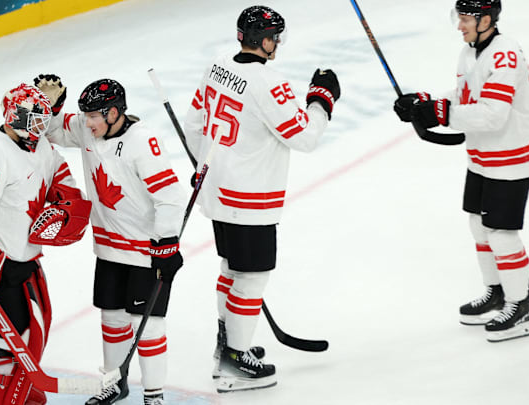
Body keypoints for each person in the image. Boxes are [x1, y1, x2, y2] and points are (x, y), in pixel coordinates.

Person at [182, 5, 340, 393]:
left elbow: (193, 123)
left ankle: (228, 345)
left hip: (218, 192)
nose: (277, 45)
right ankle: (234, 362)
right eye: (276, 38)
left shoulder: (218, 65)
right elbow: (303, 136)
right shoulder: (270, 83)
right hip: (249, 198)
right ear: (266, 41)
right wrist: (322, 100)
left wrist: (204, 165)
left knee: (232, 269)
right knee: (252, 277)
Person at [36, 75, 185, 405]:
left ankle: (154, 394)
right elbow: (52, 128)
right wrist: (51, 106)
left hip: (144, 252)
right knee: (112, 319)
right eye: (85, 116)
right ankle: (114, 383)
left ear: (115, 113)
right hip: (108, 249)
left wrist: (166, 245)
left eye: (94, 116)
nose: (86, 123)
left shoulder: (142, 143)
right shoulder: (89, 128)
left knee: (146, 329)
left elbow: (170, 197)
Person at [394, 0, 529, 342]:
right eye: (460, 18)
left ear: (487, 19)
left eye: (466, 19)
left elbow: (493, 114)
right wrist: (423, 102)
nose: (460, 26)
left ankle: (523, 303)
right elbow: (463, 94)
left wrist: (438, 113)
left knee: (500, 232)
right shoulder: (470, 52)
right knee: (478, 225)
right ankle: (497, 291)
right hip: (481, 155)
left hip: (510, 156)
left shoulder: (505, 54)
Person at [0, 83, 89, 404]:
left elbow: (58, 173)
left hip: (25, 258)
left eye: (43, 120)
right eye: (34, 120)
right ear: (13, 118)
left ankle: (16, 390)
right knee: (14, 337)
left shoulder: (38, 147)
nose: (40, 127)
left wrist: (65, 202)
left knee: (36, 328)